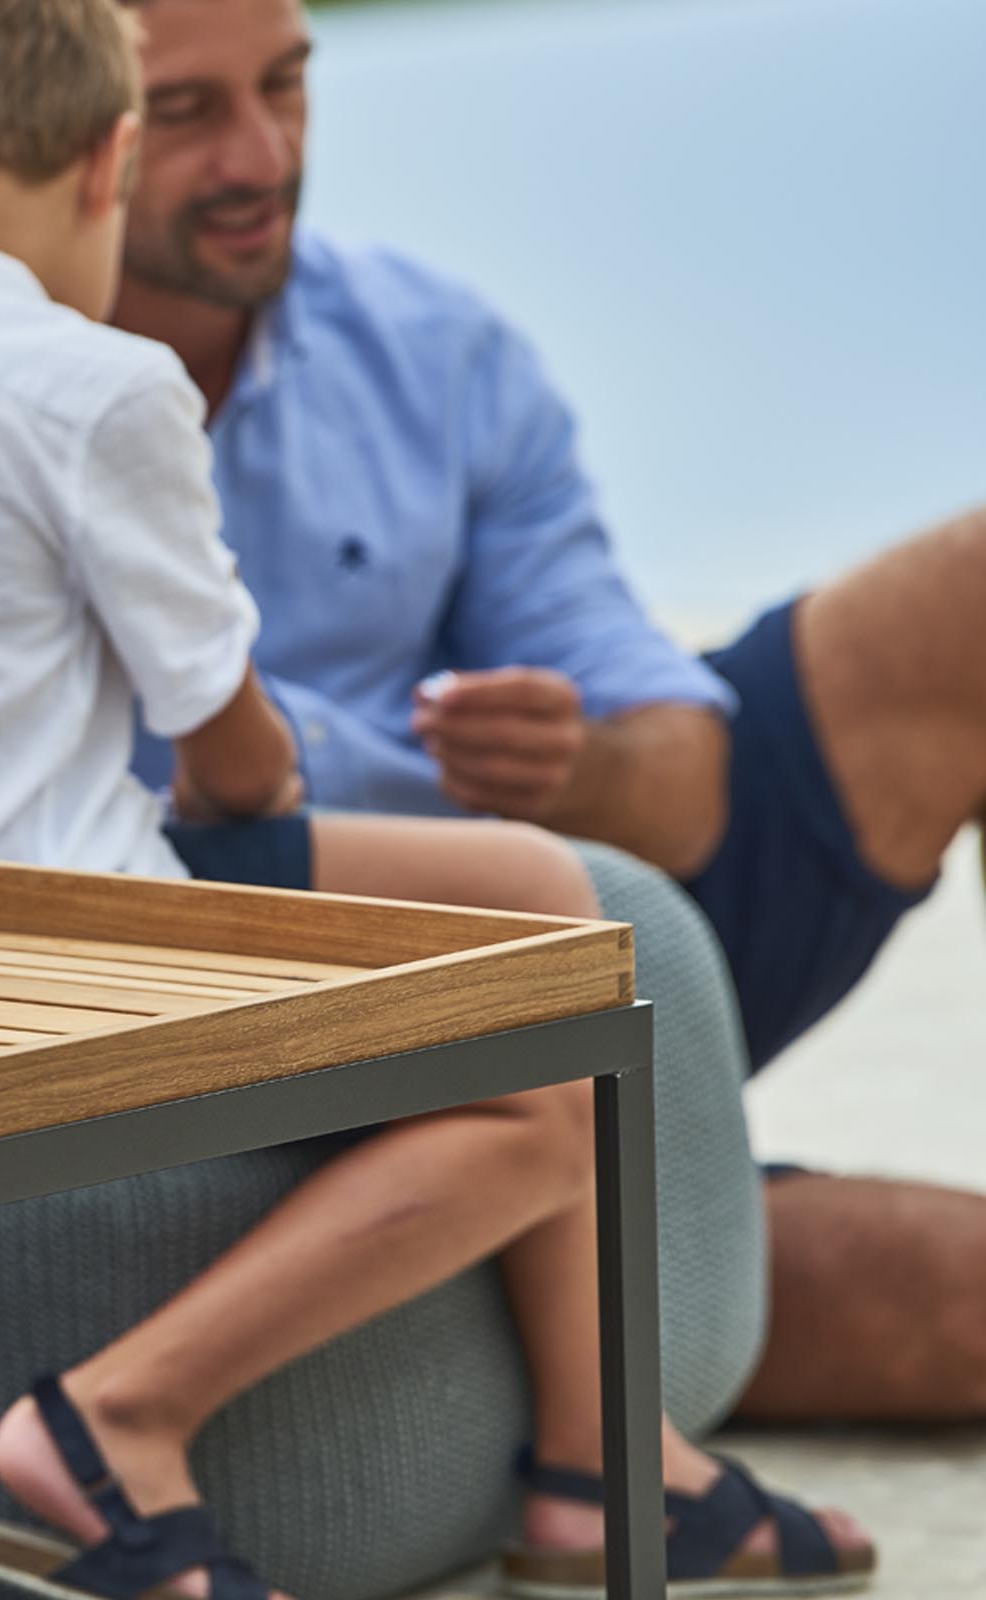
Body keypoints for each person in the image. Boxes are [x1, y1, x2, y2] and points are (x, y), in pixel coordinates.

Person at [0, 0, 872, 1590]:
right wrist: (248, 775)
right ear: (111, 156)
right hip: (65, 955)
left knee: (546, 890)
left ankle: (608, 1476)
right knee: (550, 1092)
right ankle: (118, 1419)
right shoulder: (100, 385)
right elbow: (239, 752)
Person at [107, 0, 986, 1425]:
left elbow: (686, 781)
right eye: (190, 113)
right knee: (943, 1301)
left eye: (287, 86)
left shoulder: (432, 349)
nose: (262, 155)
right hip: (323, 1097)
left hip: (606, 946)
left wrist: (575, 763)